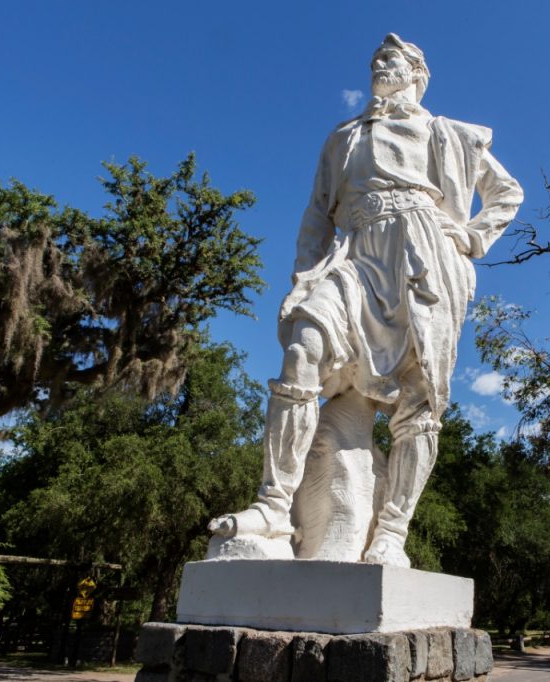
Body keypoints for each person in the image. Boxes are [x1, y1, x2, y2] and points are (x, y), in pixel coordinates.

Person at [209, 33, 522, 568]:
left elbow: (507, 192)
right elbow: (315, 214)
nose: (381, 64)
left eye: (392, 59)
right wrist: (304, 277)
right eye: (377, 59)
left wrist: (469, 238)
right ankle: (274, 507)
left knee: (420, 400)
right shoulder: (344, 137)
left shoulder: (447, 133)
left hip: (423, 259)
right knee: (304, 346)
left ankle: (391, 533)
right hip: (354, 252)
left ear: (418, 74)